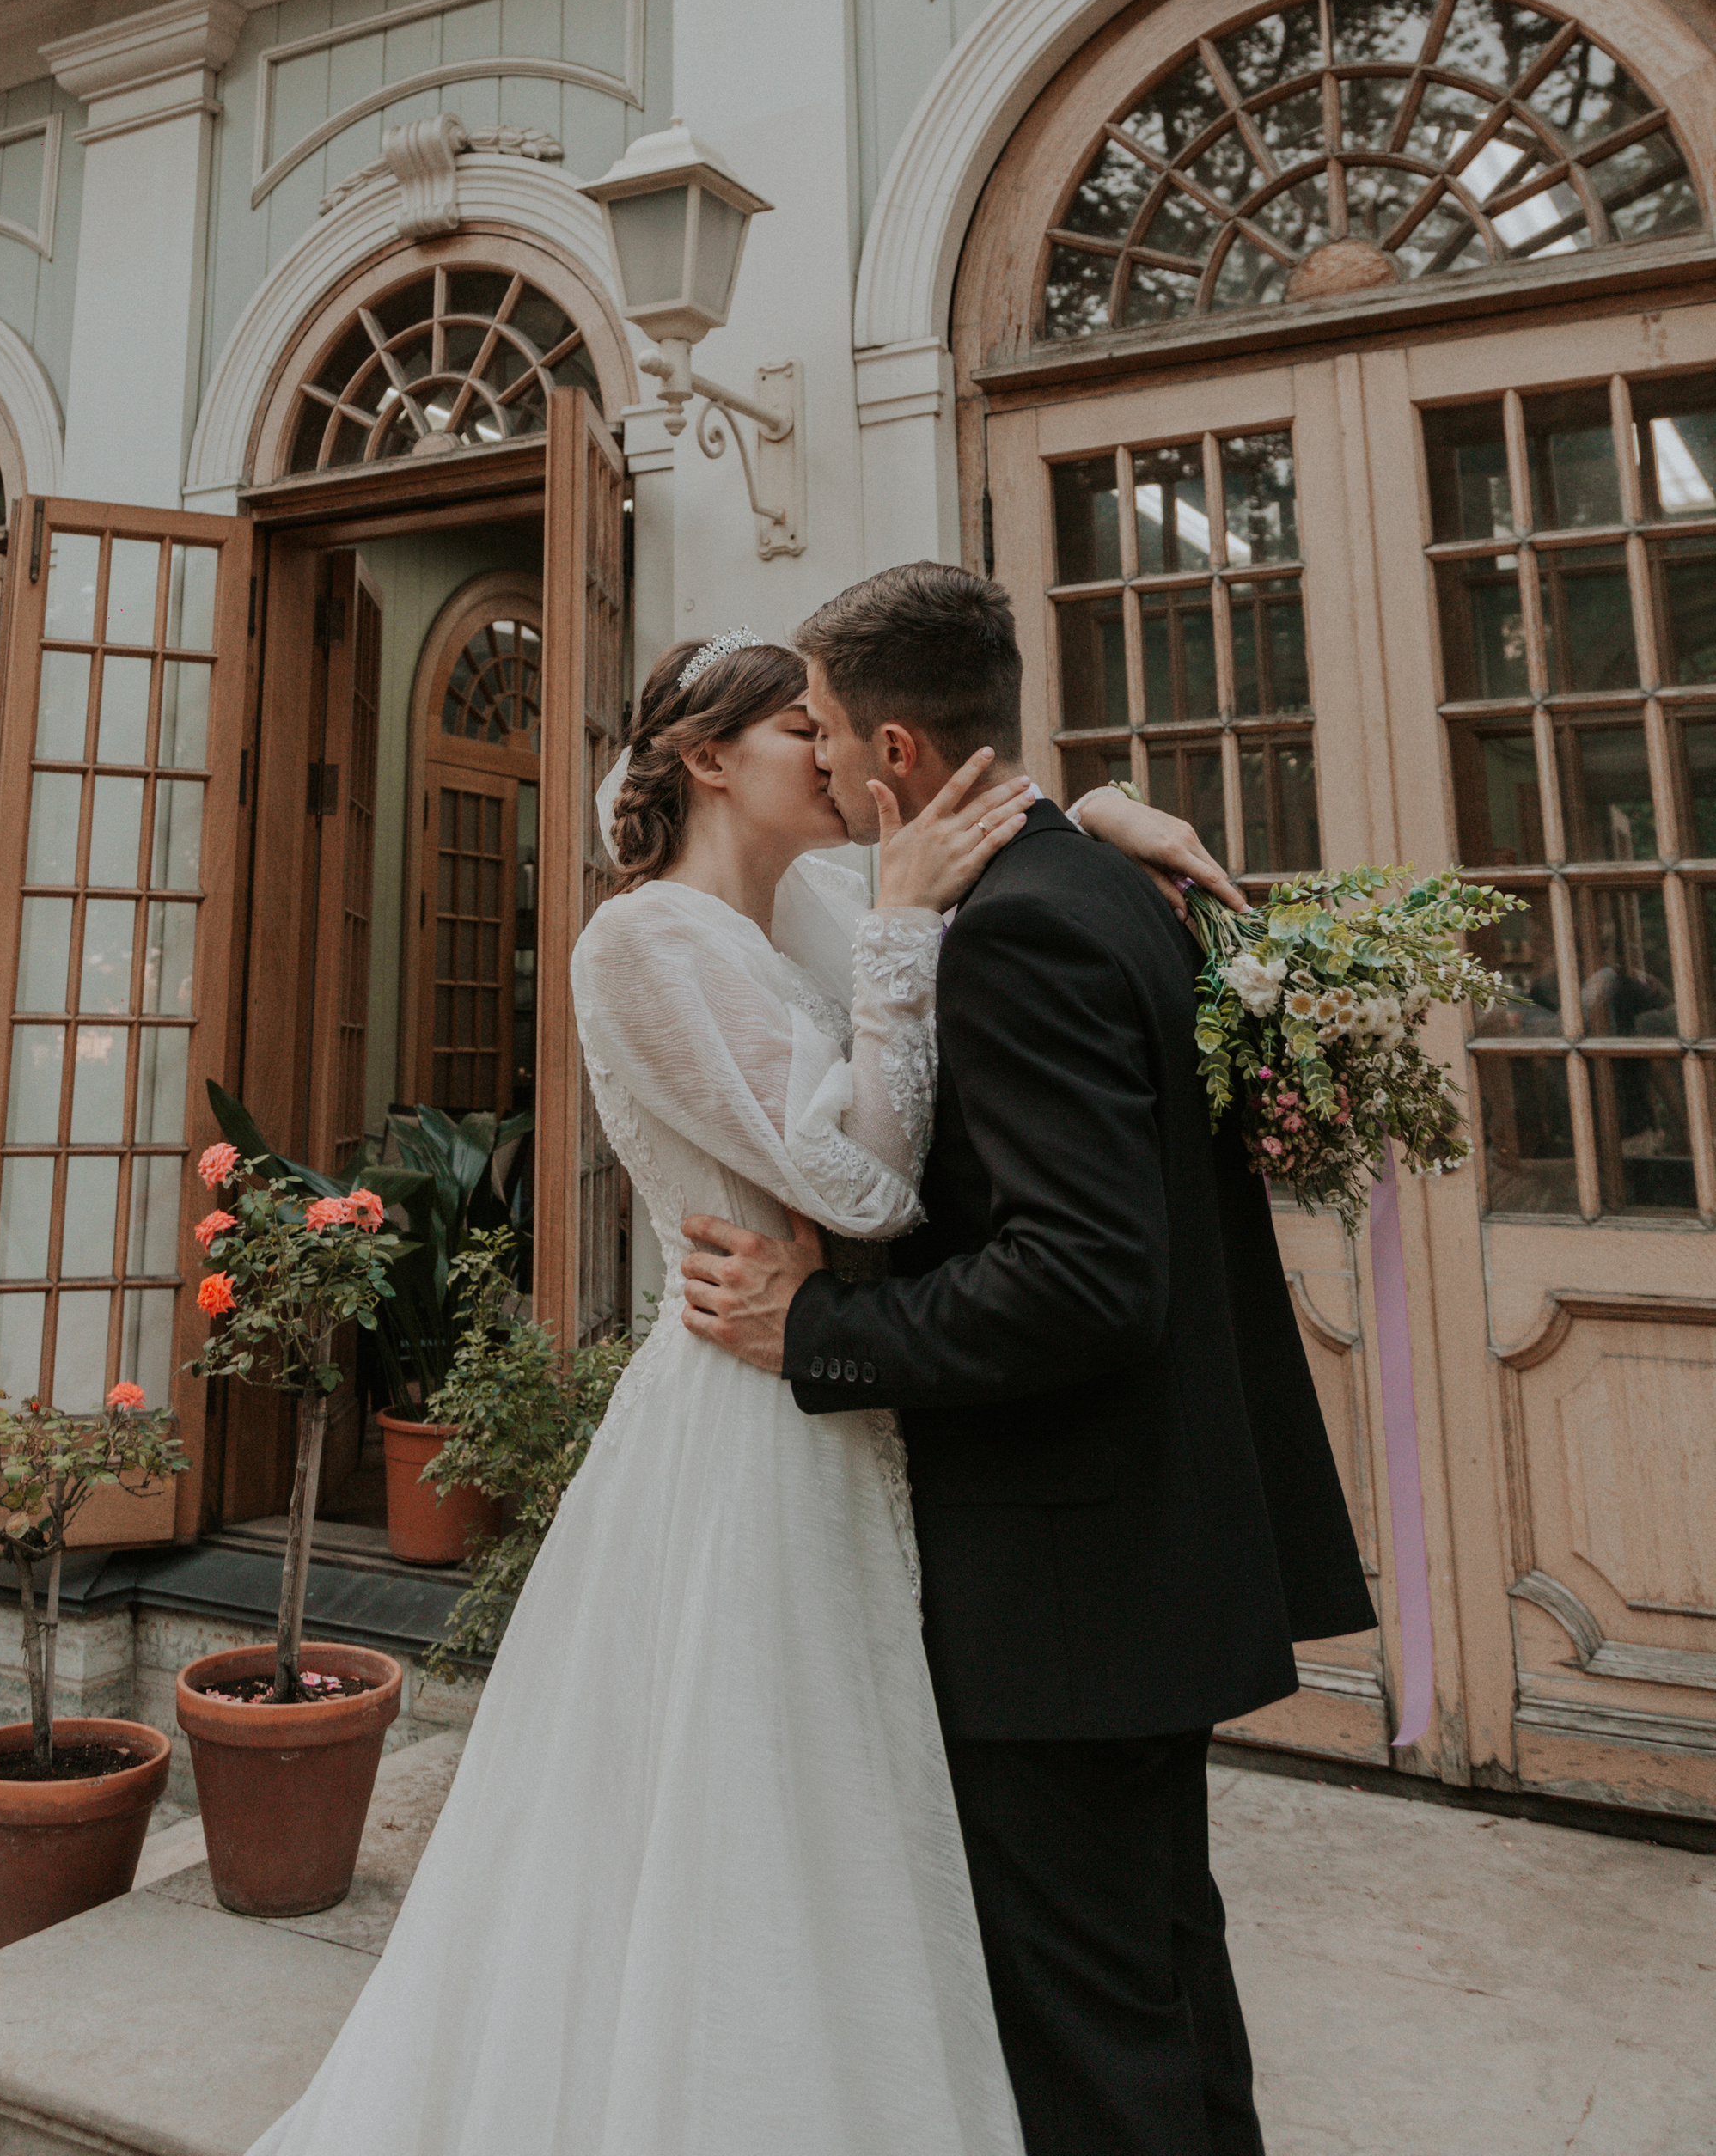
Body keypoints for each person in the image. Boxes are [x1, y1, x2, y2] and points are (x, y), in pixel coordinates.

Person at [246, 625, 1216, 2156]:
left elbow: (952, 860)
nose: (830, 763)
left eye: (834, 737)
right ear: (709, 759)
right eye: (798, 738)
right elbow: (856, 1180)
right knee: (753, 1801)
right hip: (751, 1413)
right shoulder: (640, 945)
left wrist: (1087, 820)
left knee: (865, 1807)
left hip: (851, 1392)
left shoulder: (817, 902)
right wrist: (901, 933)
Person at [681, 564, 1375, 2156]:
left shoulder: (1016, 936)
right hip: (1134, 1566)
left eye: (838, 737)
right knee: (1161, 1987)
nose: (836, 769)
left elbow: (1083, 1280)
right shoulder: (1102, 887)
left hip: (1068, 1587)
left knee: (1088, 2043)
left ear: (907, 752)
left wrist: (818, 1329)